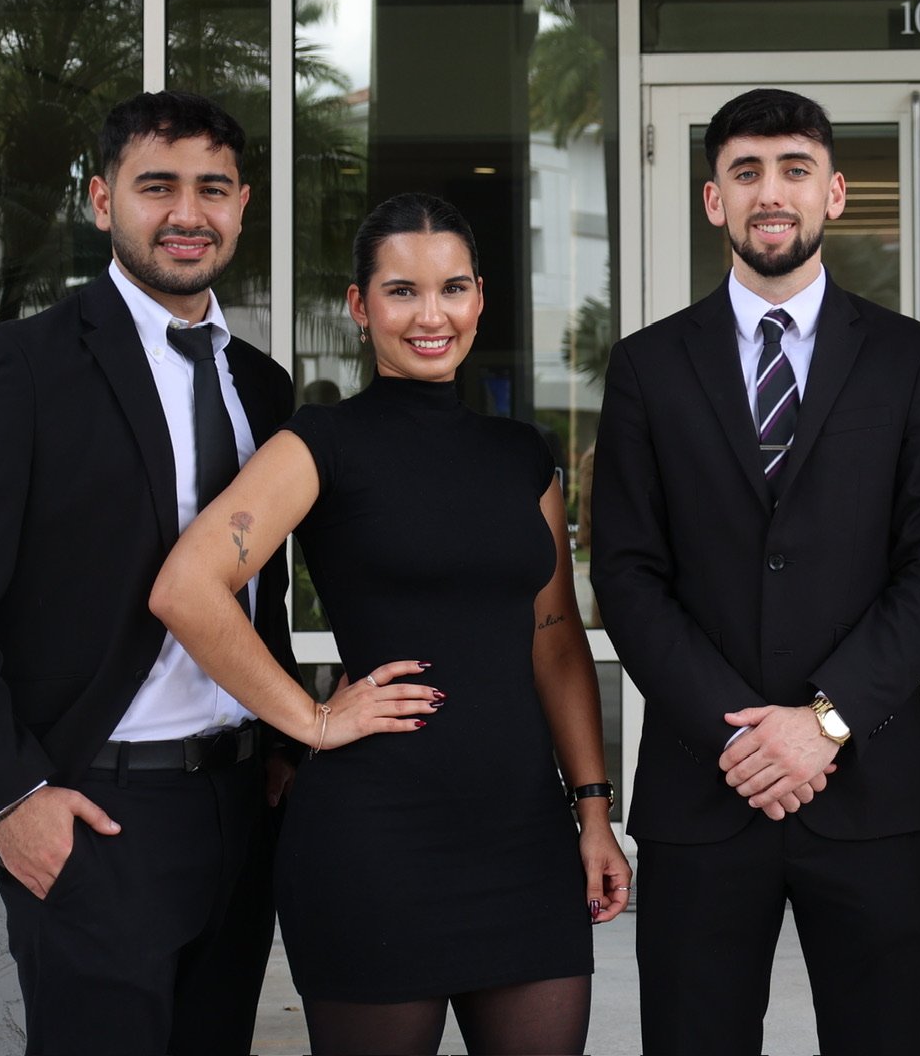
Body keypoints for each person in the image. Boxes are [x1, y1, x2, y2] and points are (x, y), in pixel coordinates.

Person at [148, 193, 626, 1056]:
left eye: (453, 289)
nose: (431, 315)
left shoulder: (521, 456)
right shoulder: (321, 442)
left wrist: (593, 810)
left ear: (480, 300)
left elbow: (555, 639)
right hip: (375, 843)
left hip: (523, 837)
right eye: (402, 291)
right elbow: (187, 587)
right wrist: (310, 718)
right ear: (360, 306)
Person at [0, 91, 295, 1055]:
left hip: (239, 806)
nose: (188, 213)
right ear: (102, 200)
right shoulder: (19, 368)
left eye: (213, 189)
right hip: (97, 812)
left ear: (243, 206)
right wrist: (10, 801)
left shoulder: (263, 385)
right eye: (158, 186)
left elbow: (260, 592)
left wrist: (284, 743)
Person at [590, 87, 920, 1056]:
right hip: (702, 790)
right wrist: (743, 738)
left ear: (833, 193)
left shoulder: (910, 360)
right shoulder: (647, 367)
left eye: (795, 170)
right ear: (712, 199)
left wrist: (824, 722)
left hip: (868, 788)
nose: (772, 192)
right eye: (747, 172)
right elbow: (628, 574)